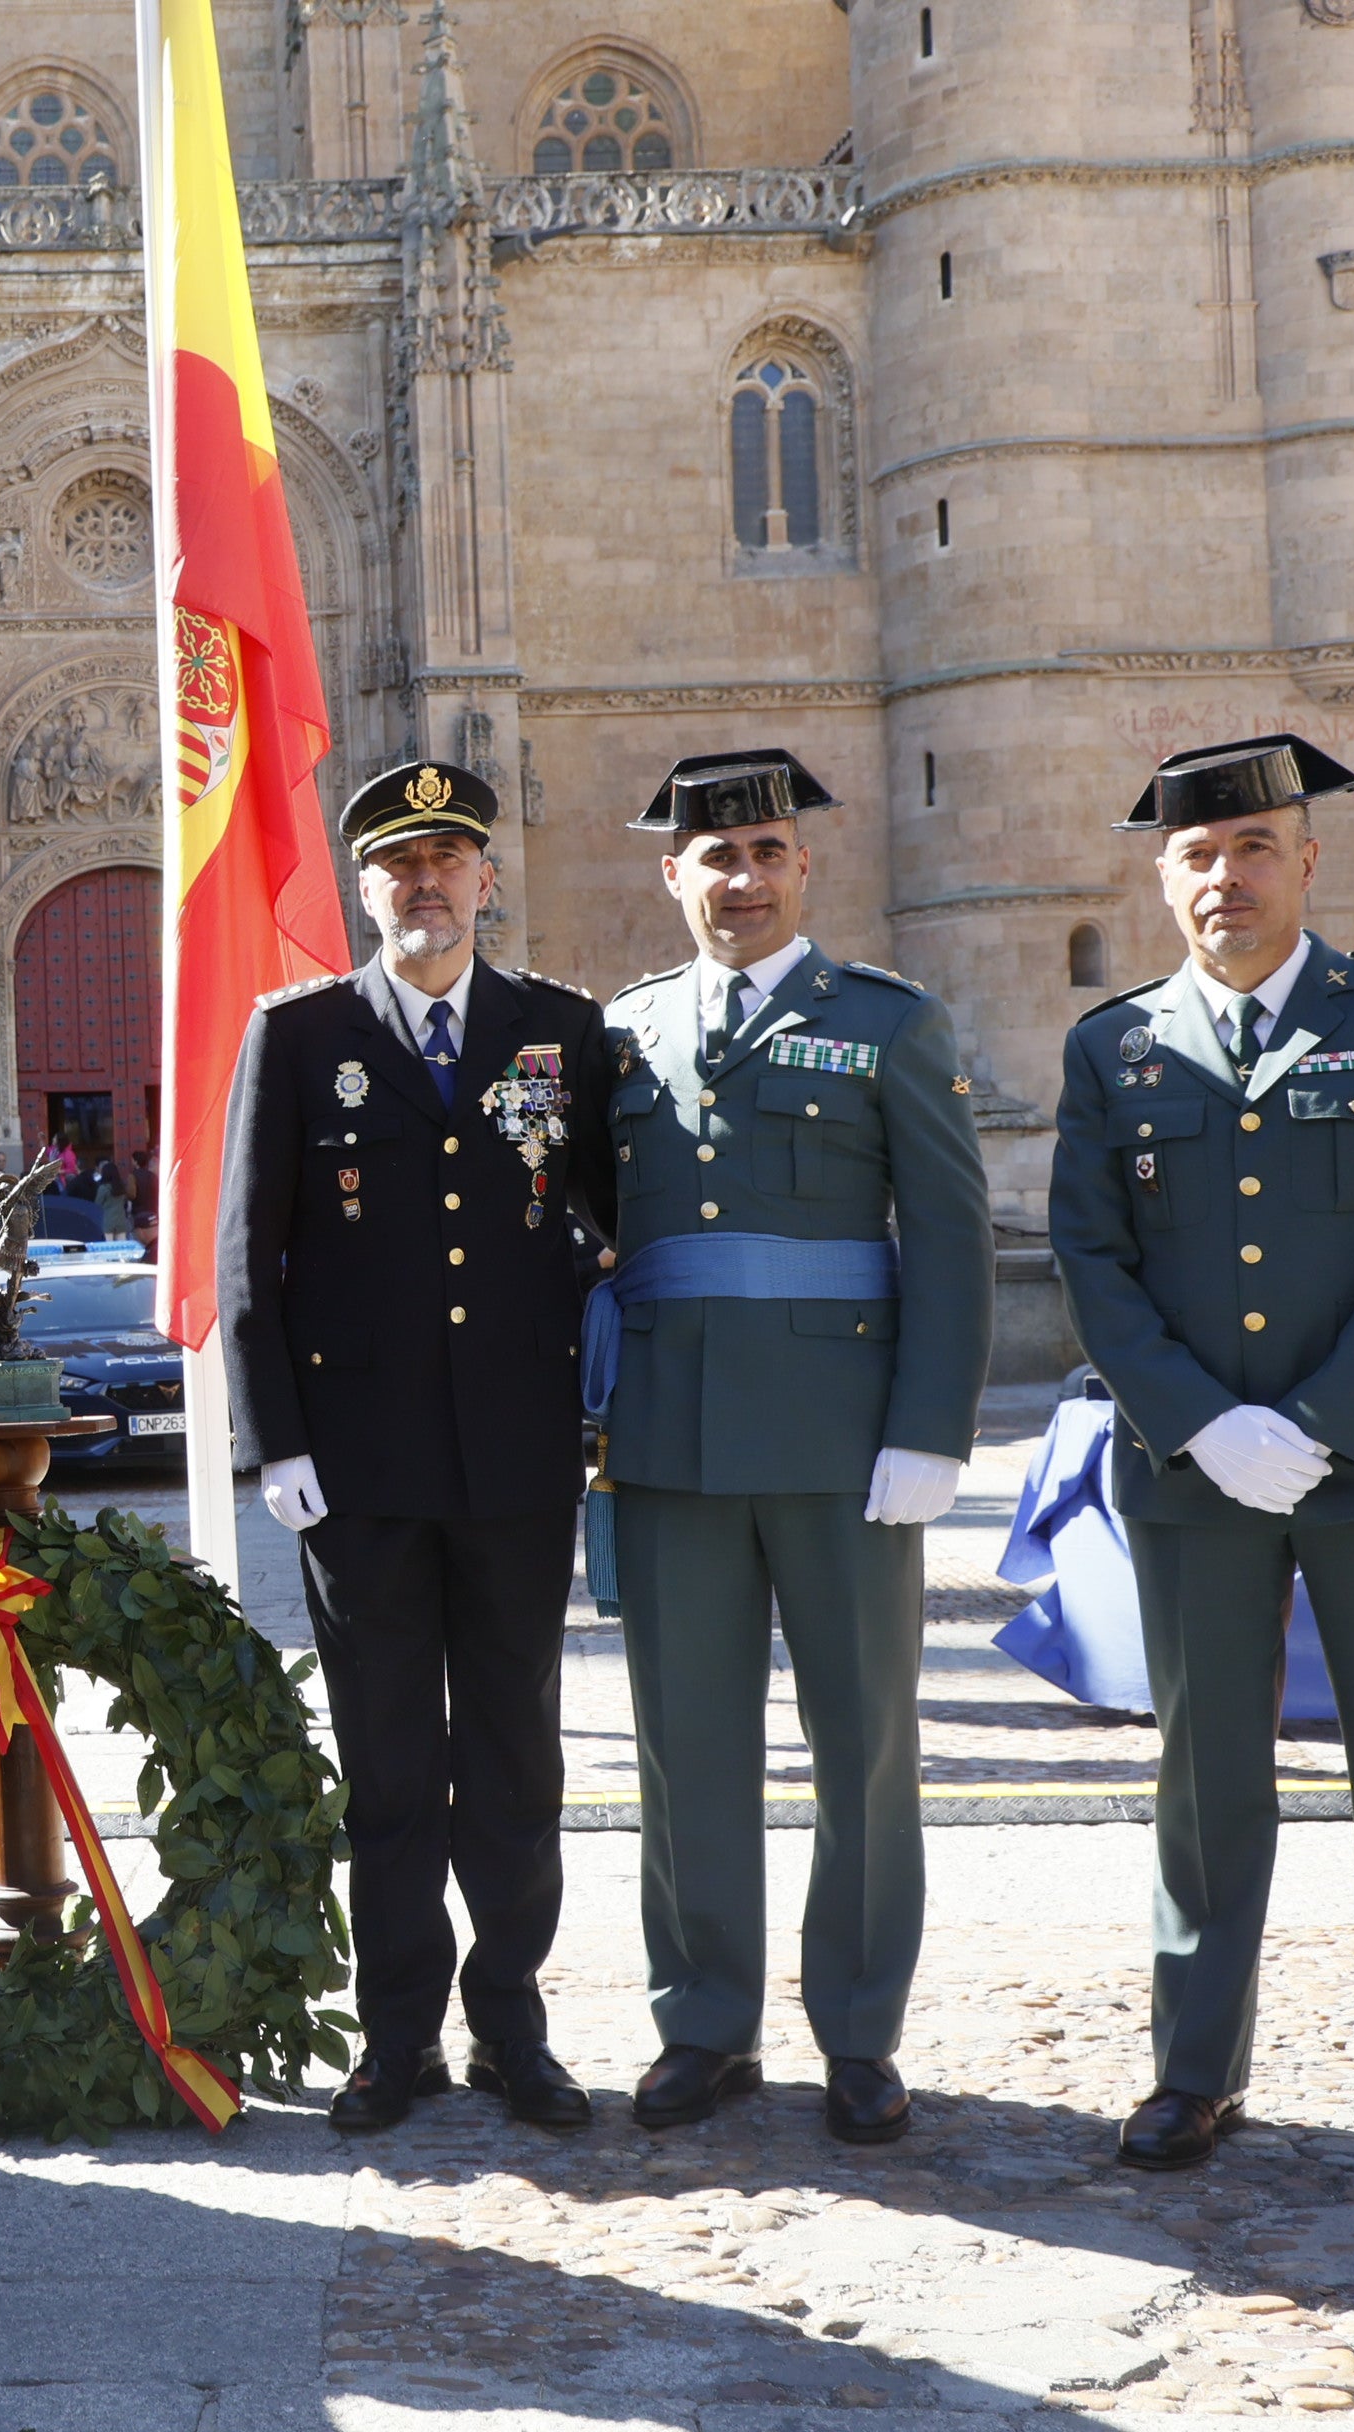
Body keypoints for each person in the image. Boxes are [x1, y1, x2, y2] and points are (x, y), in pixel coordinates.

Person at [1048, 734, 1354, 2208]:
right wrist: (1203, 1424)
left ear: (1306, 860)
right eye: (1198, 855)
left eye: (1255, 846)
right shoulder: (1114, 1048)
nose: (1227, 876)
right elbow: (1092, 1257)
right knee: (1206, 1784)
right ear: (1163, 879)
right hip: (1193, 1472)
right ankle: (1194, 2071)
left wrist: (1323, 1421)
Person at [591, 750, 994, 2142]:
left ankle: (861, 2031)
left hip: (845, 1447)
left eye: (767, 851)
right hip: (670, 1444)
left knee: (864, 1748)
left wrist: (931, 1430)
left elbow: (949, 1237)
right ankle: (704, 2023)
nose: (744, 877)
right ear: (674, 875)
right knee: (685, 1749)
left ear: (804, 868)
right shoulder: (621, 1033)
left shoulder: (887, 1022)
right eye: (717, 855)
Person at [219, 759, 617, 2136]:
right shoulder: (300, 1032)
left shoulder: (560, 1030)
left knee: (515, 1762)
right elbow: (248, 1255)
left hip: (517, 1463)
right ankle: (398, 2039)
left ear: (486, 878)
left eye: (447, 859)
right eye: (399, 863)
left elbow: (611, 1221)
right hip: (361, 1471)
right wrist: (277, 1441)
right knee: (388, 1770)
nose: (425, 882)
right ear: (365, 888)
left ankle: (511, 2026)